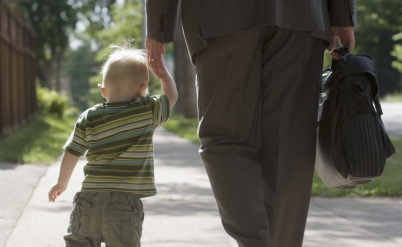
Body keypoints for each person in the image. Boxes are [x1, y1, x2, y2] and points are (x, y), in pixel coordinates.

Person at [145, 1, 355, 247]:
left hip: (221, 15)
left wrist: (159, 27)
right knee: (290, 144)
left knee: (225, 137)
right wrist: (342, 13)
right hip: (301, 13)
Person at [48, 43, 178, 247]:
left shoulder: (89, 117)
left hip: (89, 199)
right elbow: (171, 97)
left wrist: (61, 183)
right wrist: (162, 75)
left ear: (102, 90)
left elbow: (71, 152)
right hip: (124, 204)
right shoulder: (147, 111)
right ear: (143, 88)